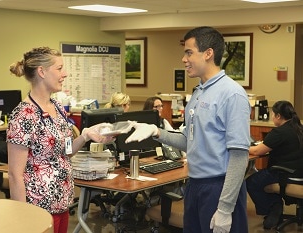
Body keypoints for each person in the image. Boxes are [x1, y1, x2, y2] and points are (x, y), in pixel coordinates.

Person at [125, 26, 251, 233]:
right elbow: (189, 141)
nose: (184, 59)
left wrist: (225, 209)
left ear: (208, 53)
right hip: (195, 185)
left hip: (219, 188)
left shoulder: (232, 94)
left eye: (189, 52)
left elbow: (239, 157)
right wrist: (156, 132)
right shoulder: (198, 93)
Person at [7, 46, 115, 233]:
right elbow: (15, 175)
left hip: (62, 201)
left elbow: (66, 152)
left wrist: (85, 135)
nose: (65, 74)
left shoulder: (56, 107)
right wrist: (23, 220)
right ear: (42, 71)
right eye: (59, 68)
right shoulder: (23, 115)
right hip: (37, 207)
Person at [246, 100, 303, 229]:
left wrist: (240, 147)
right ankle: (275, 205)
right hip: (299, 173)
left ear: (278, 116)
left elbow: (256, 151)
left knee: (251, 182)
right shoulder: (299, 128)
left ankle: (273, 207)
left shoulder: (279, 132)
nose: (272, 117)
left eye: (273, 115)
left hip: (286, 174)